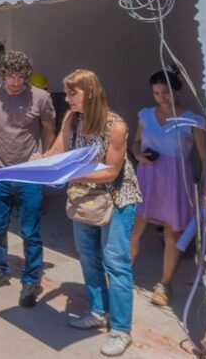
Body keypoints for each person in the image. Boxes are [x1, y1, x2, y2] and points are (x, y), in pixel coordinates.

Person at [36, 69, 142, 357]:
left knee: (115, 263)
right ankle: (97, 311)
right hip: (84, 198)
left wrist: (69, 173)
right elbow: (58, 148)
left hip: (117, 199)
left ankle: (121, 330)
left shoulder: (115, 125)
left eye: (73, 93)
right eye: (67, 92)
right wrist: (40, 160)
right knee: (88, 257)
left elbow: (111, 171)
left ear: (91, 93)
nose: (67, 98)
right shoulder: (73, 118)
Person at [0, 51, 55, 308]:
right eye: (10, 76)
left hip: (29, 175)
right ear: (3, 74)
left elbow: (49, 127)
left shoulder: (40, 97)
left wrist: (43, 154)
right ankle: (0, 269)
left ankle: (31, 279)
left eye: (20, 77)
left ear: (26, 76)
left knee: (30, 230)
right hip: (0, 173)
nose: (14, 82)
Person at [129, 70, 206, 306]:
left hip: (175, 180)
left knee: (171, 232)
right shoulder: (145, 115)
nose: (161, 97)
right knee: (134, 227)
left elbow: (205, 157)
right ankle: (123, 274)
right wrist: (137, 155)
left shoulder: (192, 120)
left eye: (166, 92)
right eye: (156, 93)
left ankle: (164, 285)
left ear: (177, 91)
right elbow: (135, 142)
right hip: (147, 176)